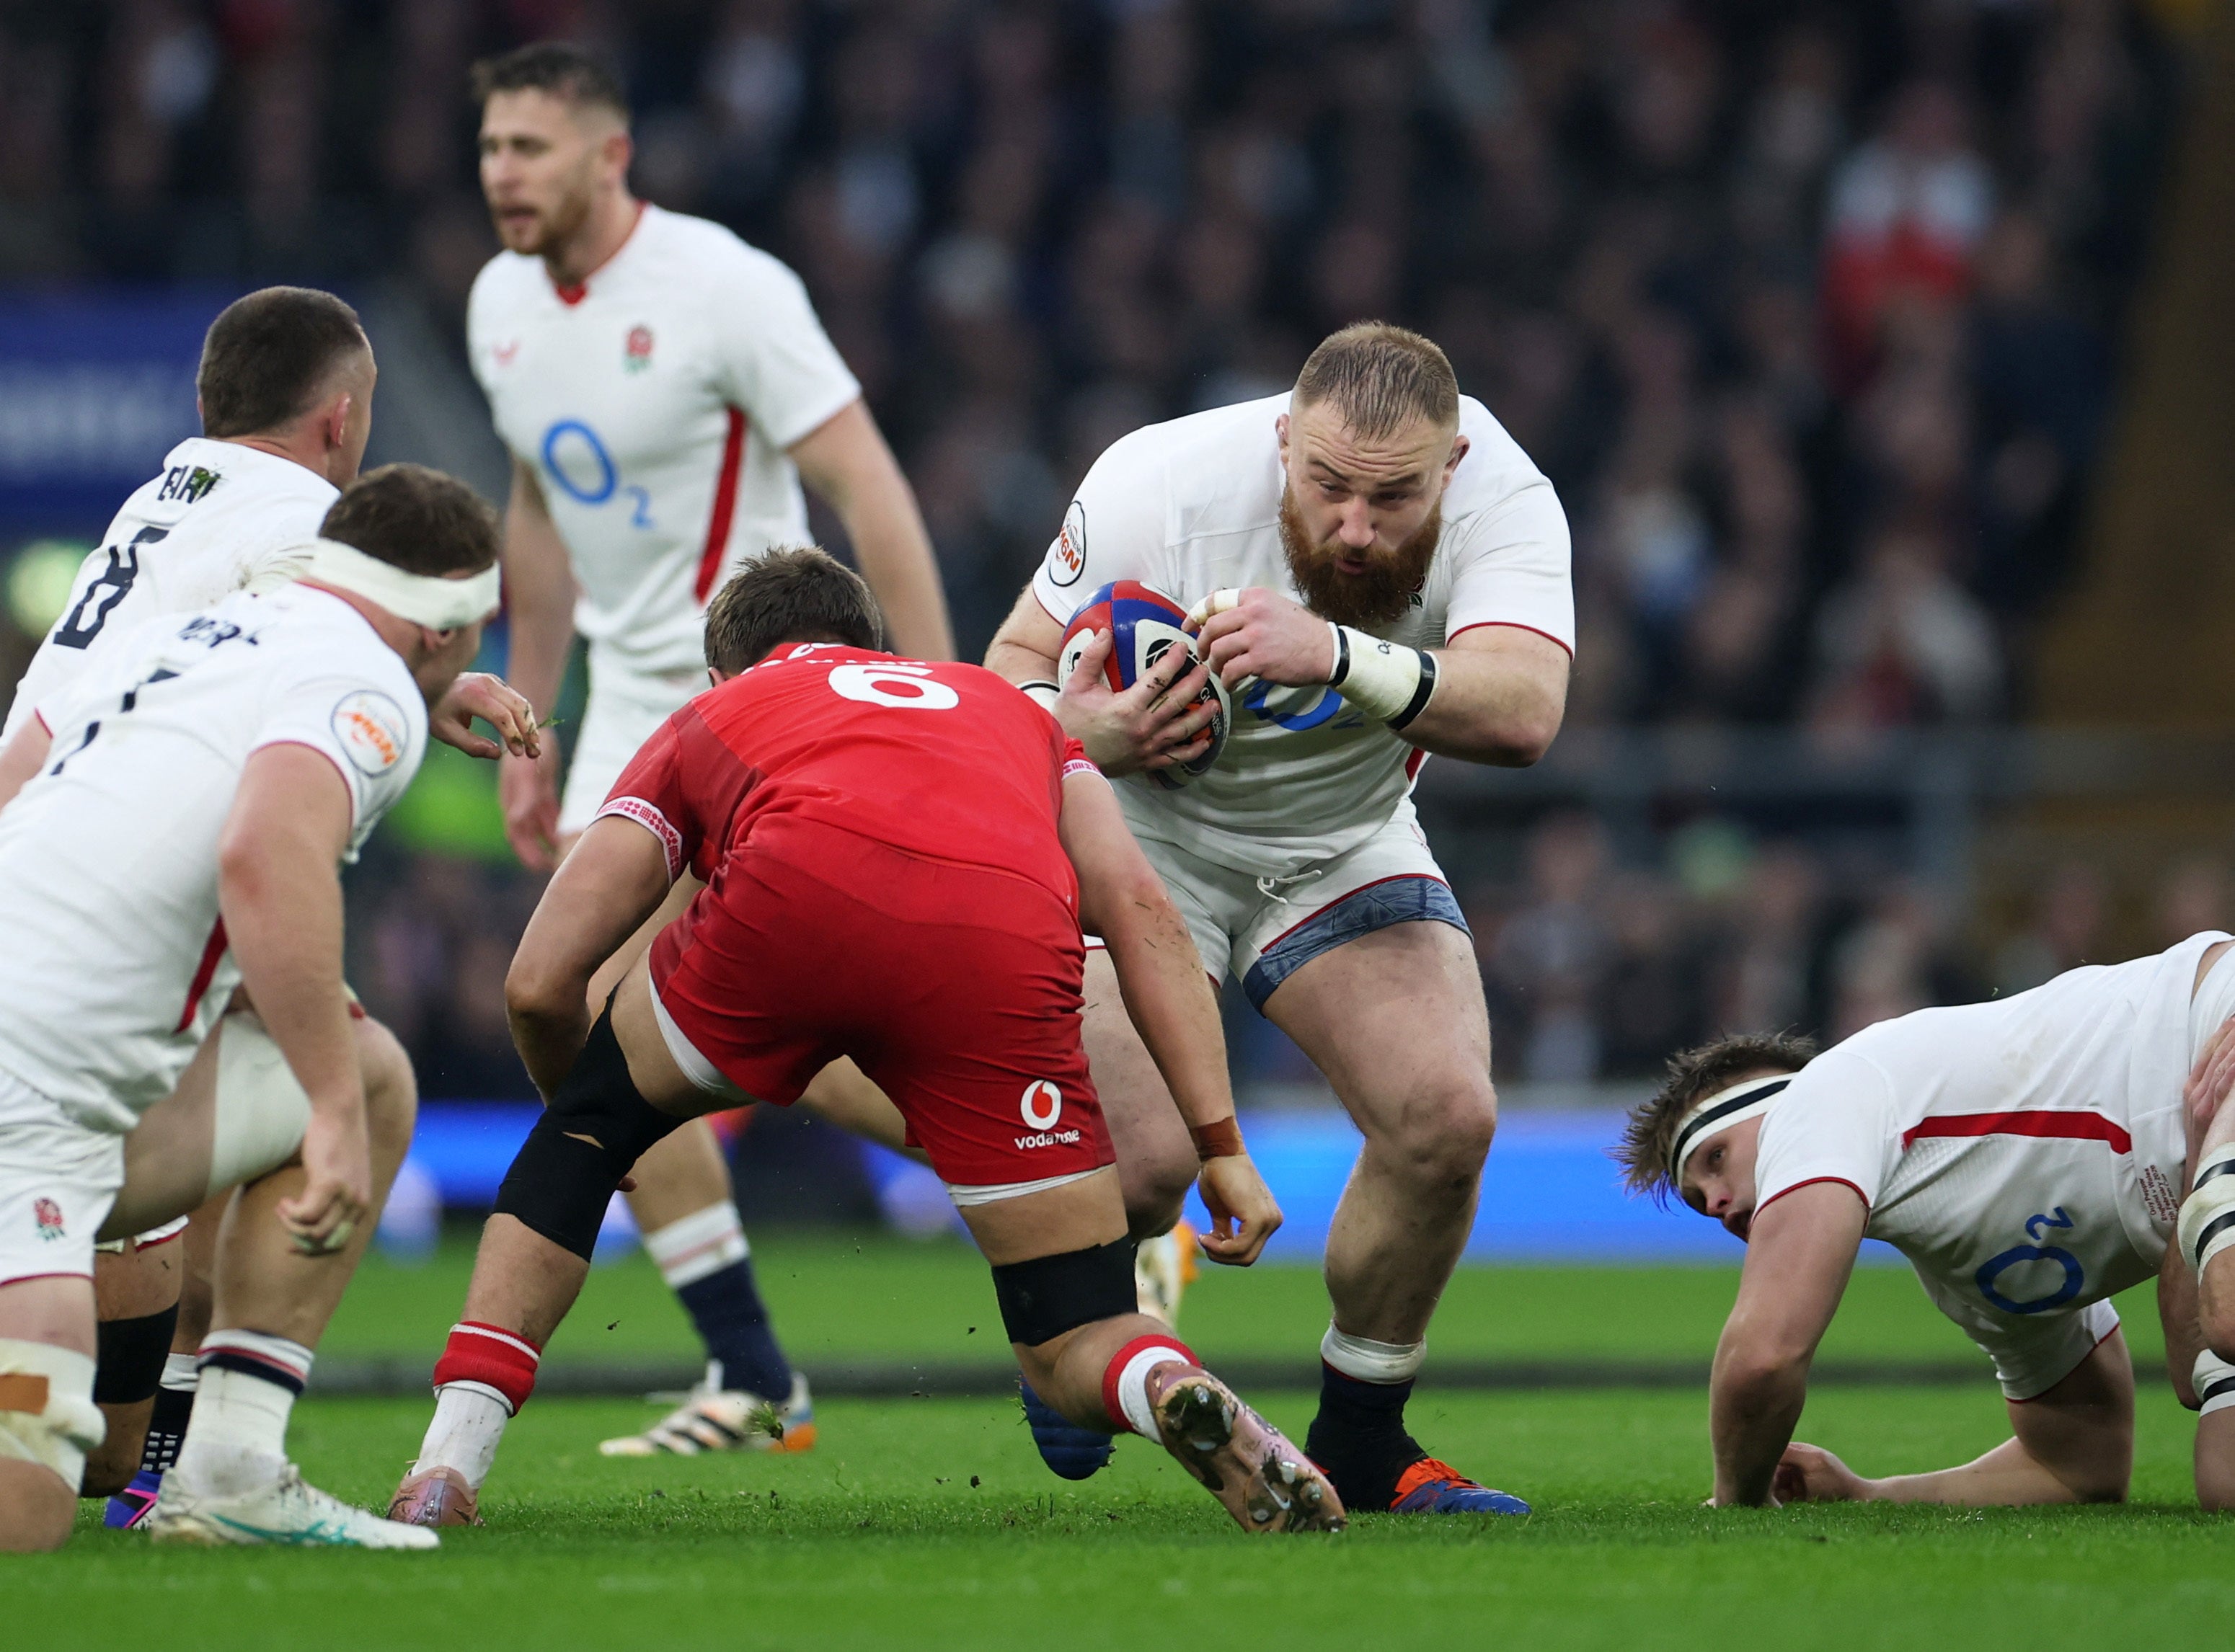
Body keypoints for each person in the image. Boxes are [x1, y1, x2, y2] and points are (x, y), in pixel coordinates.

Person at [387, 549, 1340, 1536]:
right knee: (1075, 1332)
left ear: (728, 671)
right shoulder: (1006, 709)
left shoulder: (713, 714)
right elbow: (1142, 908)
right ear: (881, 653)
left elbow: (539, 984)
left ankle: (445, 1470)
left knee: (578, 1139)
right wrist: (1220, 1147)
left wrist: (585, 1126)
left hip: (788, 903)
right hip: (997, 943)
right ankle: (1167, 1386)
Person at [983, 321, 1570, 1514]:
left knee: (1446, 1115)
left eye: (1393, 497)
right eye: (1329, 486)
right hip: (1141, 835)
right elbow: (1008, 674)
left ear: (1450, 467)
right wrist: (1095, 734)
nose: (1356, 525)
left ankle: (1362, 1435)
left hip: (1339, 839)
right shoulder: (1160, 482)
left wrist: (1336, 652)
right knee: (1141, 1168)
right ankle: (1075, 1329)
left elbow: (1524, 710)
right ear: (1282, 440)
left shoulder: (1508, 494)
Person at [466, 41, 955, 1458]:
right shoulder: (499, 303)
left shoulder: (725, 286)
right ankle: (759, 1358)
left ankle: (1039, 1164)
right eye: (491, 146)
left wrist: (936, 703)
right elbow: (540, 512)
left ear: (608, 157)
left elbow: (866, 480)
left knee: (641, 1016)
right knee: (631, 1029)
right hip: (621, 707)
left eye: (530, 149)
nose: (503, 173)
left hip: (759, 698)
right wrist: (529, 717)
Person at [0, 288, 536, 1527]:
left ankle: (185, 1460)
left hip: (42, 904)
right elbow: (265, 828)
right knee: (349, 1080)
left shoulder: (165, 504)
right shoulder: (306, 523)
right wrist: (406, 682)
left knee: (61, 1461)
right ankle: (215, 1463)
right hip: (71, 1018)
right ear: (343, 421)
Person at [1617, 930, 2235, 1509]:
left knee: (2221, 1321)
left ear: (1772, 1103)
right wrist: (1870, 1492)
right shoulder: (1970, 1271)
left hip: (2215, 1029)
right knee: (2224, 1477)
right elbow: (2080, 1466)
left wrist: (1738, 1499)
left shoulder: (1822, 1093)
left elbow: (1763, 1358)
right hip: (2201, 1137)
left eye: (1715, 1160)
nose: (1718, 1205)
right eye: (1700, 1202)